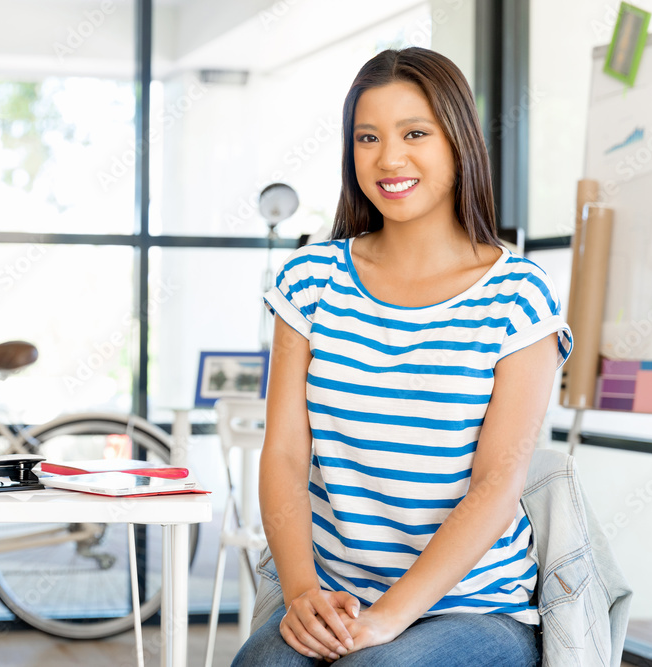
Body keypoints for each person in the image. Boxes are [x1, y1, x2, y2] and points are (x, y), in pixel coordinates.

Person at [232, 47, 573, 666]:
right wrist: (303, 592)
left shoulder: (519, 295)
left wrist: (389, 619)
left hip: (477, 607)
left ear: (458, 142)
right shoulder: (310, 281)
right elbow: (282, 453)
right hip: (335, 594)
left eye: (414, 133)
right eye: (367, 138)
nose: (388, 158)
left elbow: (496, 486)